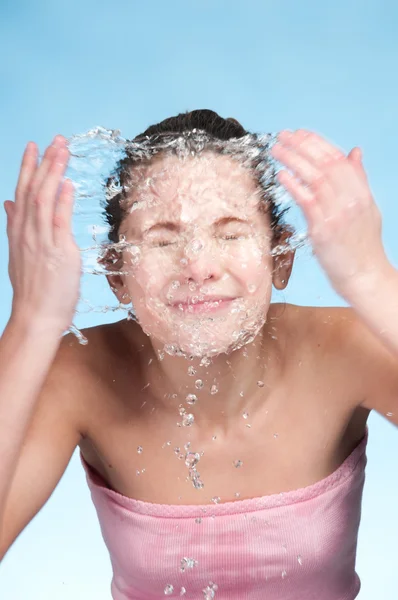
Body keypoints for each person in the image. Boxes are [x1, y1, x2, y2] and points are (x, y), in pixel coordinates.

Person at [0, 109, 398, 600]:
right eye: (162, 240)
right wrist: (31, 323)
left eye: (231, 233)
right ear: (117, 275)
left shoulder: (347, 350)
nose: (198, 266)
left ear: (281, 258)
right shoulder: (78, 373)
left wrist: (372, 279)